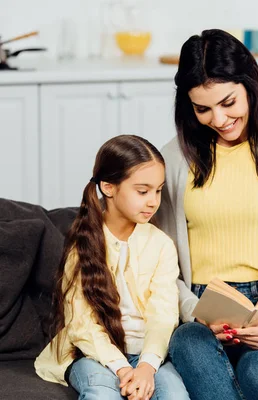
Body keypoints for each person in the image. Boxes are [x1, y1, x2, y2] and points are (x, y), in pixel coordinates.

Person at [155, 29, 258, 400]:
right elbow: (163, 269)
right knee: (189, 343)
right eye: (203, 109)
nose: (218, 118)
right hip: (203, 309)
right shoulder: (171, 160)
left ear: (250, 85)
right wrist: (194, 312)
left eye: (228, 102)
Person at [35, 135, 189, 400]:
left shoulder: (161, 244)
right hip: (92, 353)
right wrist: (121, 369)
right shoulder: (83, 243)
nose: (153, 201)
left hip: (150, 355)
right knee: (101, 393)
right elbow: (82, 323)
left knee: (175, 395)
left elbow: (163, 314)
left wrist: (146, 367)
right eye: (143, 191)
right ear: (108, 187)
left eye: (158, 190)